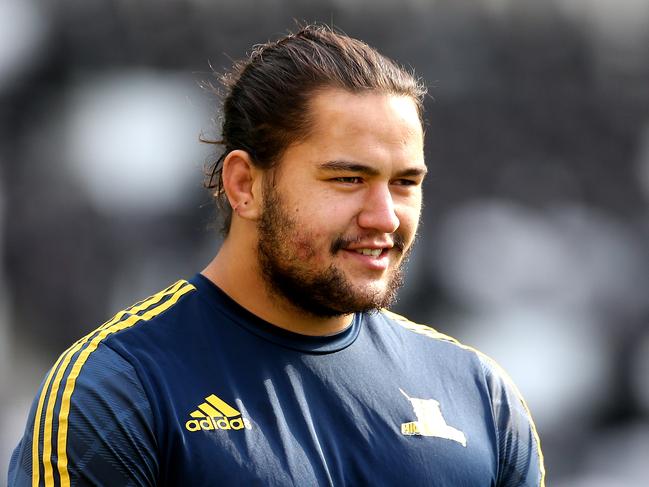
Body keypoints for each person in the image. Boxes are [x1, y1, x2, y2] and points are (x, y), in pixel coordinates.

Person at [9, 25, 545, 486]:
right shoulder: (122, 388)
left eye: (405, 183)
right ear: (245, 185)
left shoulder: (480, 395)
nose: (384, 216)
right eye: (348, 178)